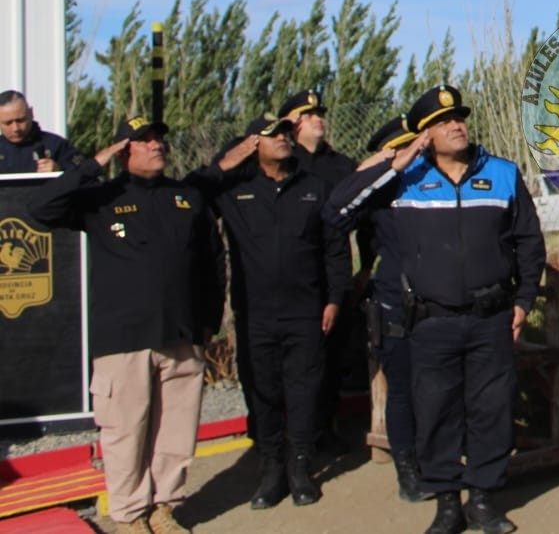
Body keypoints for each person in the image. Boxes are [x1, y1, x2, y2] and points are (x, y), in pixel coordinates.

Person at [325, 86, 545, 534]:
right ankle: (447, 503)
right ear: (422, 136)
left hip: (491, 318)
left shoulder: (502, 173)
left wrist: (523, 301)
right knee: (436, 412)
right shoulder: (403, 182)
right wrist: (392, 164)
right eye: (442, 122)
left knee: (491, 410)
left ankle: (482, 500)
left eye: (459, 117)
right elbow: (336, 212)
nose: (456, 125)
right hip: (430, 321)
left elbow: (529, 242)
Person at [28, 117, 223, 534]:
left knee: (176, 431)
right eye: (144, 141)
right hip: (124, 338)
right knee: (126, 431)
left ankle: (164, 507)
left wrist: (209, 319)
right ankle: (130, 515)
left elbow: (210, 260)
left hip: (182, 335)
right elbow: (39, 209)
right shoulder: (100, 197)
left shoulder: (186, 196)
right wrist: (92, 164)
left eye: (159, 140)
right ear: (123, 149)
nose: (157, 146)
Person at [194, 113, 352, 510]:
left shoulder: (314, 187)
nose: (282, 138)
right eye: (270, 135)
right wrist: (228, 162)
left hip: (307, 312)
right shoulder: (234, 189)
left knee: (303, 391)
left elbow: (335, 249)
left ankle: (301, 468)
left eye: (285, 132)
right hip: (254, 314)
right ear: (252, 145)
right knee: (262, 392)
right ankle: (271, 470)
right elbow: (192, 192)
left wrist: (334, 299)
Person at [347, 114, 427, 503]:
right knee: (402, 391)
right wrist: (381, 165)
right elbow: (339, 210)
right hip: (396, 302)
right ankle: (407, 469)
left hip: (436, 303)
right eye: (403, 147)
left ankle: (436, 458)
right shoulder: (377, 191)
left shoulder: (431, 183)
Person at [278, 89, 358, 453]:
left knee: (331, 354)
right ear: (292, 123)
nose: (318, 119)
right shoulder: (281, 162)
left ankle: (326, 427)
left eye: (319, 113)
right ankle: (289, 436)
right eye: (309, 114)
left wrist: (366, 266)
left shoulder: (340, 166)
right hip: (290, 277)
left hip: (332, 273)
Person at [0, 89, 84, 175]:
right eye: (8, 123)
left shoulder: (57, 145)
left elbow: (86, 176)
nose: (16, 128)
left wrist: (59, 170)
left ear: (31, 113)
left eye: (20, 120)